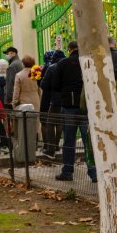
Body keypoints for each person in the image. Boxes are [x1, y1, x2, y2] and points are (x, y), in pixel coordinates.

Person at [51, 41, 96, 183]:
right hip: (86, 107)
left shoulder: (63, 63)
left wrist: (66, 91)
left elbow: (55, 84)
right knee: (88, 141)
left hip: (69, 106)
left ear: (69, 49)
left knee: (69, 141)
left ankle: (67, 171)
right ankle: (94, 172)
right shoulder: (88, 61)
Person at [39, 50, 66, 158]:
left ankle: (50, 147)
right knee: (59, 123)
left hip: (53, 99)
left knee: (49, 122)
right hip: (66, 98)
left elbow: (44, 85)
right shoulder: (66, 65)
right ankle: (57, 145)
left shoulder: (50, 68)